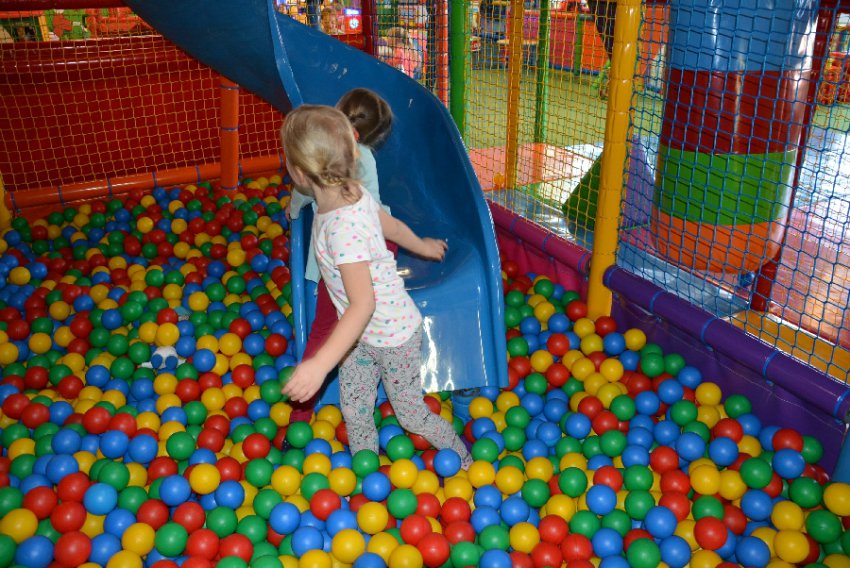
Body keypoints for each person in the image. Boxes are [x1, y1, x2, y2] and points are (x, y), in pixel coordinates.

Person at [280, 105, 472, 466]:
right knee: (354, 409)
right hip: (360, 339)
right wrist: (422, 245)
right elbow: (392, 227)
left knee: (411, 414)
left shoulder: (342, 231)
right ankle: (366, 470)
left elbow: (362, 304)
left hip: (394, 337)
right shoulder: (353, 191)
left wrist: (319, 365)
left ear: (299, 173)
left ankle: (462, 459)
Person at [287, 88, 395, 422]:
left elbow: (302, 194)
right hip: (377, 244)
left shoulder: (321, 162)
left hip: (341, 252)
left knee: (325, 325)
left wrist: (292, 211)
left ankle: (302, 411)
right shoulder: (366, 158)